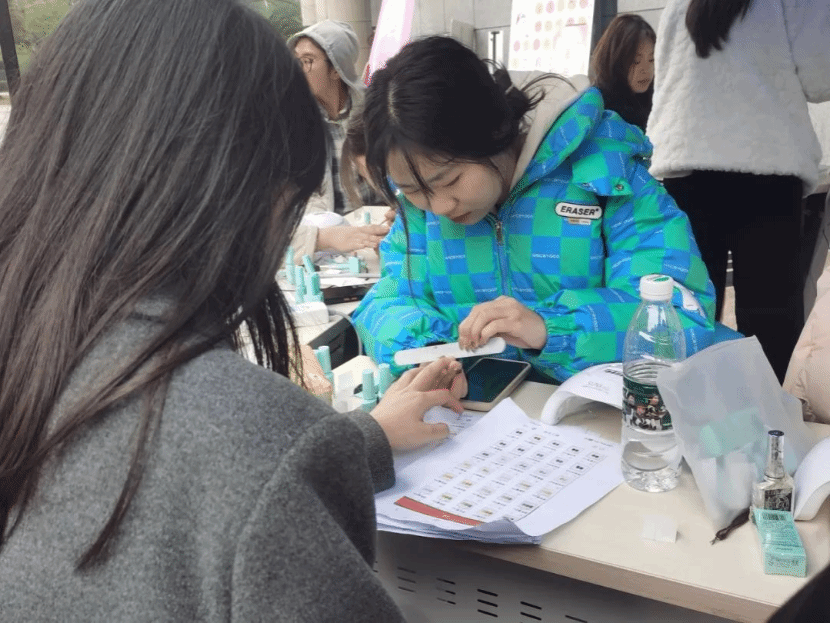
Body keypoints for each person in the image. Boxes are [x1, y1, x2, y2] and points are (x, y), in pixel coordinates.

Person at [0, 0, 468, 620]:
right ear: (252, 190)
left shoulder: (38, 348)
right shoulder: (249, 443)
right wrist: (294, 450)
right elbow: (228, 466)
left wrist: (356, 439)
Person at [353, 35, 726, 384]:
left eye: (450, 180)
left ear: (494, 131)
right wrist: (428, 352)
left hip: (599, 417)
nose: (438, 206)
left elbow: (681, 311)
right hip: (477, 417)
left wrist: (550, 328)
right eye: (412, 189)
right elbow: (386, 302)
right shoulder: (418, 212)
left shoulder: (604, 173)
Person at [647, 0, 830, 383]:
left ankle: (688, 403)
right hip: (766, 165)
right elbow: (821, 77)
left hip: (687, 164)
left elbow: (663, 81)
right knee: (770, 316)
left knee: (691, 306)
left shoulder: (681, 3)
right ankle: (763, 411)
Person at [287, 19, 388, 264]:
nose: (298, 70)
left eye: (308, 61)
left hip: (376, 233)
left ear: (336, 69)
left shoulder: (376, 113)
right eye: (295, 61)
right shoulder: (291, 121)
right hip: (320, 242)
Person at [589, 14, 656, 133]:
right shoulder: (599, 109)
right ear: (615, 60)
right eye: (636, 61)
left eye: (652, 59)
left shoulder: (656, 98)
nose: (646, 69)